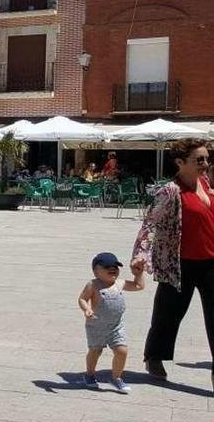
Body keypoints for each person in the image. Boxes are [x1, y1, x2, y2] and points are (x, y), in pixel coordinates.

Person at [132, 138, 214, 389]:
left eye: (206, 158)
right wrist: (140, 255)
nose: (205, 163)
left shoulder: (205, 182)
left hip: (211, 262)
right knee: (168, 315)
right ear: (180, 162)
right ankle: (155, 356)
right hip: (179, 264)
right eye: (199, 159)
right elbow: (150, 224)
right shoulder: (169, 191)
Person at [77, 252, 145, 393]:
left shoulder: (120, 284)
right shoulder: (93, 285)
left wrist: (138, 274)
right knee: (95, 351)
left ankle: (116, 378)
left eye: (115, 267)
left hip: (116, 327)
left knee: (122, 351)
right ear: (96, 271)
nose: (113, 269)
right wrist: (87, 309)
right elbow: (82, 299)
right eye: (107, 267)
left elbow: (139, 286)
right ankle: (89, 374)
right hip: (96, 326)